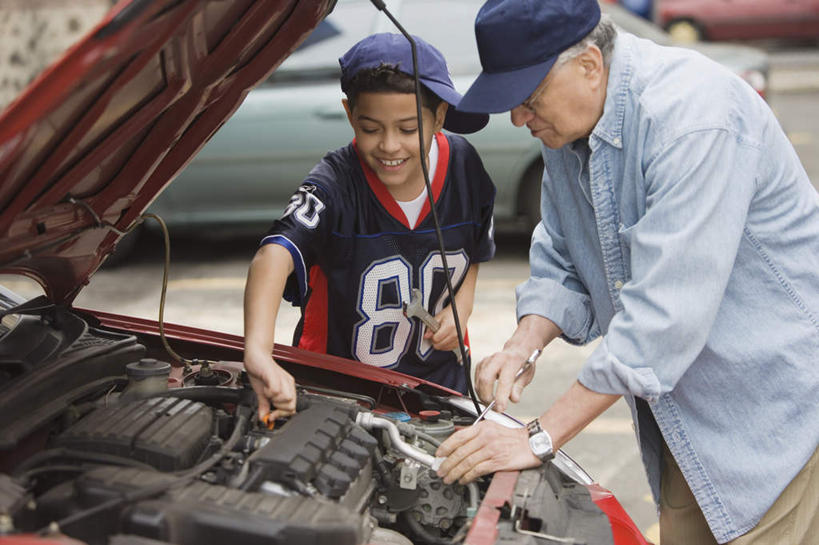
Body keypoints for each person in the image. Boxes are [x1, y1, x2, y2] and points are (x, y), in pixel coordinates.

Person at [434, 1, 819, 544]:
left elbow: (662, 319)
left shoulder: (692, 119)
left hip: (778, 413)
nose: (518, 118)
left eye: (528, 97)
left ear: (589, 65)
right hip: (689, 421)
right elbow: (562, 252)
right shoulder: (568, 128)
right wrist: (524, 344)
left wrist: (538, 438)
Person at [243, 33, 496, 422]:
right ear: (349, 114)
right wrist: (258, 351)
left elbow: (475, 251)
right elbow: (273, 255)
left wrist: (462, 305)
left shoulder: (466, 167)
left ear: (440, 116)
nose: (390, 146)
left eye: (409, 129)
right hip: (337, 394)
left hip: (440, 392)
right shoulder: (334, 183)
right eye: (371, 128)